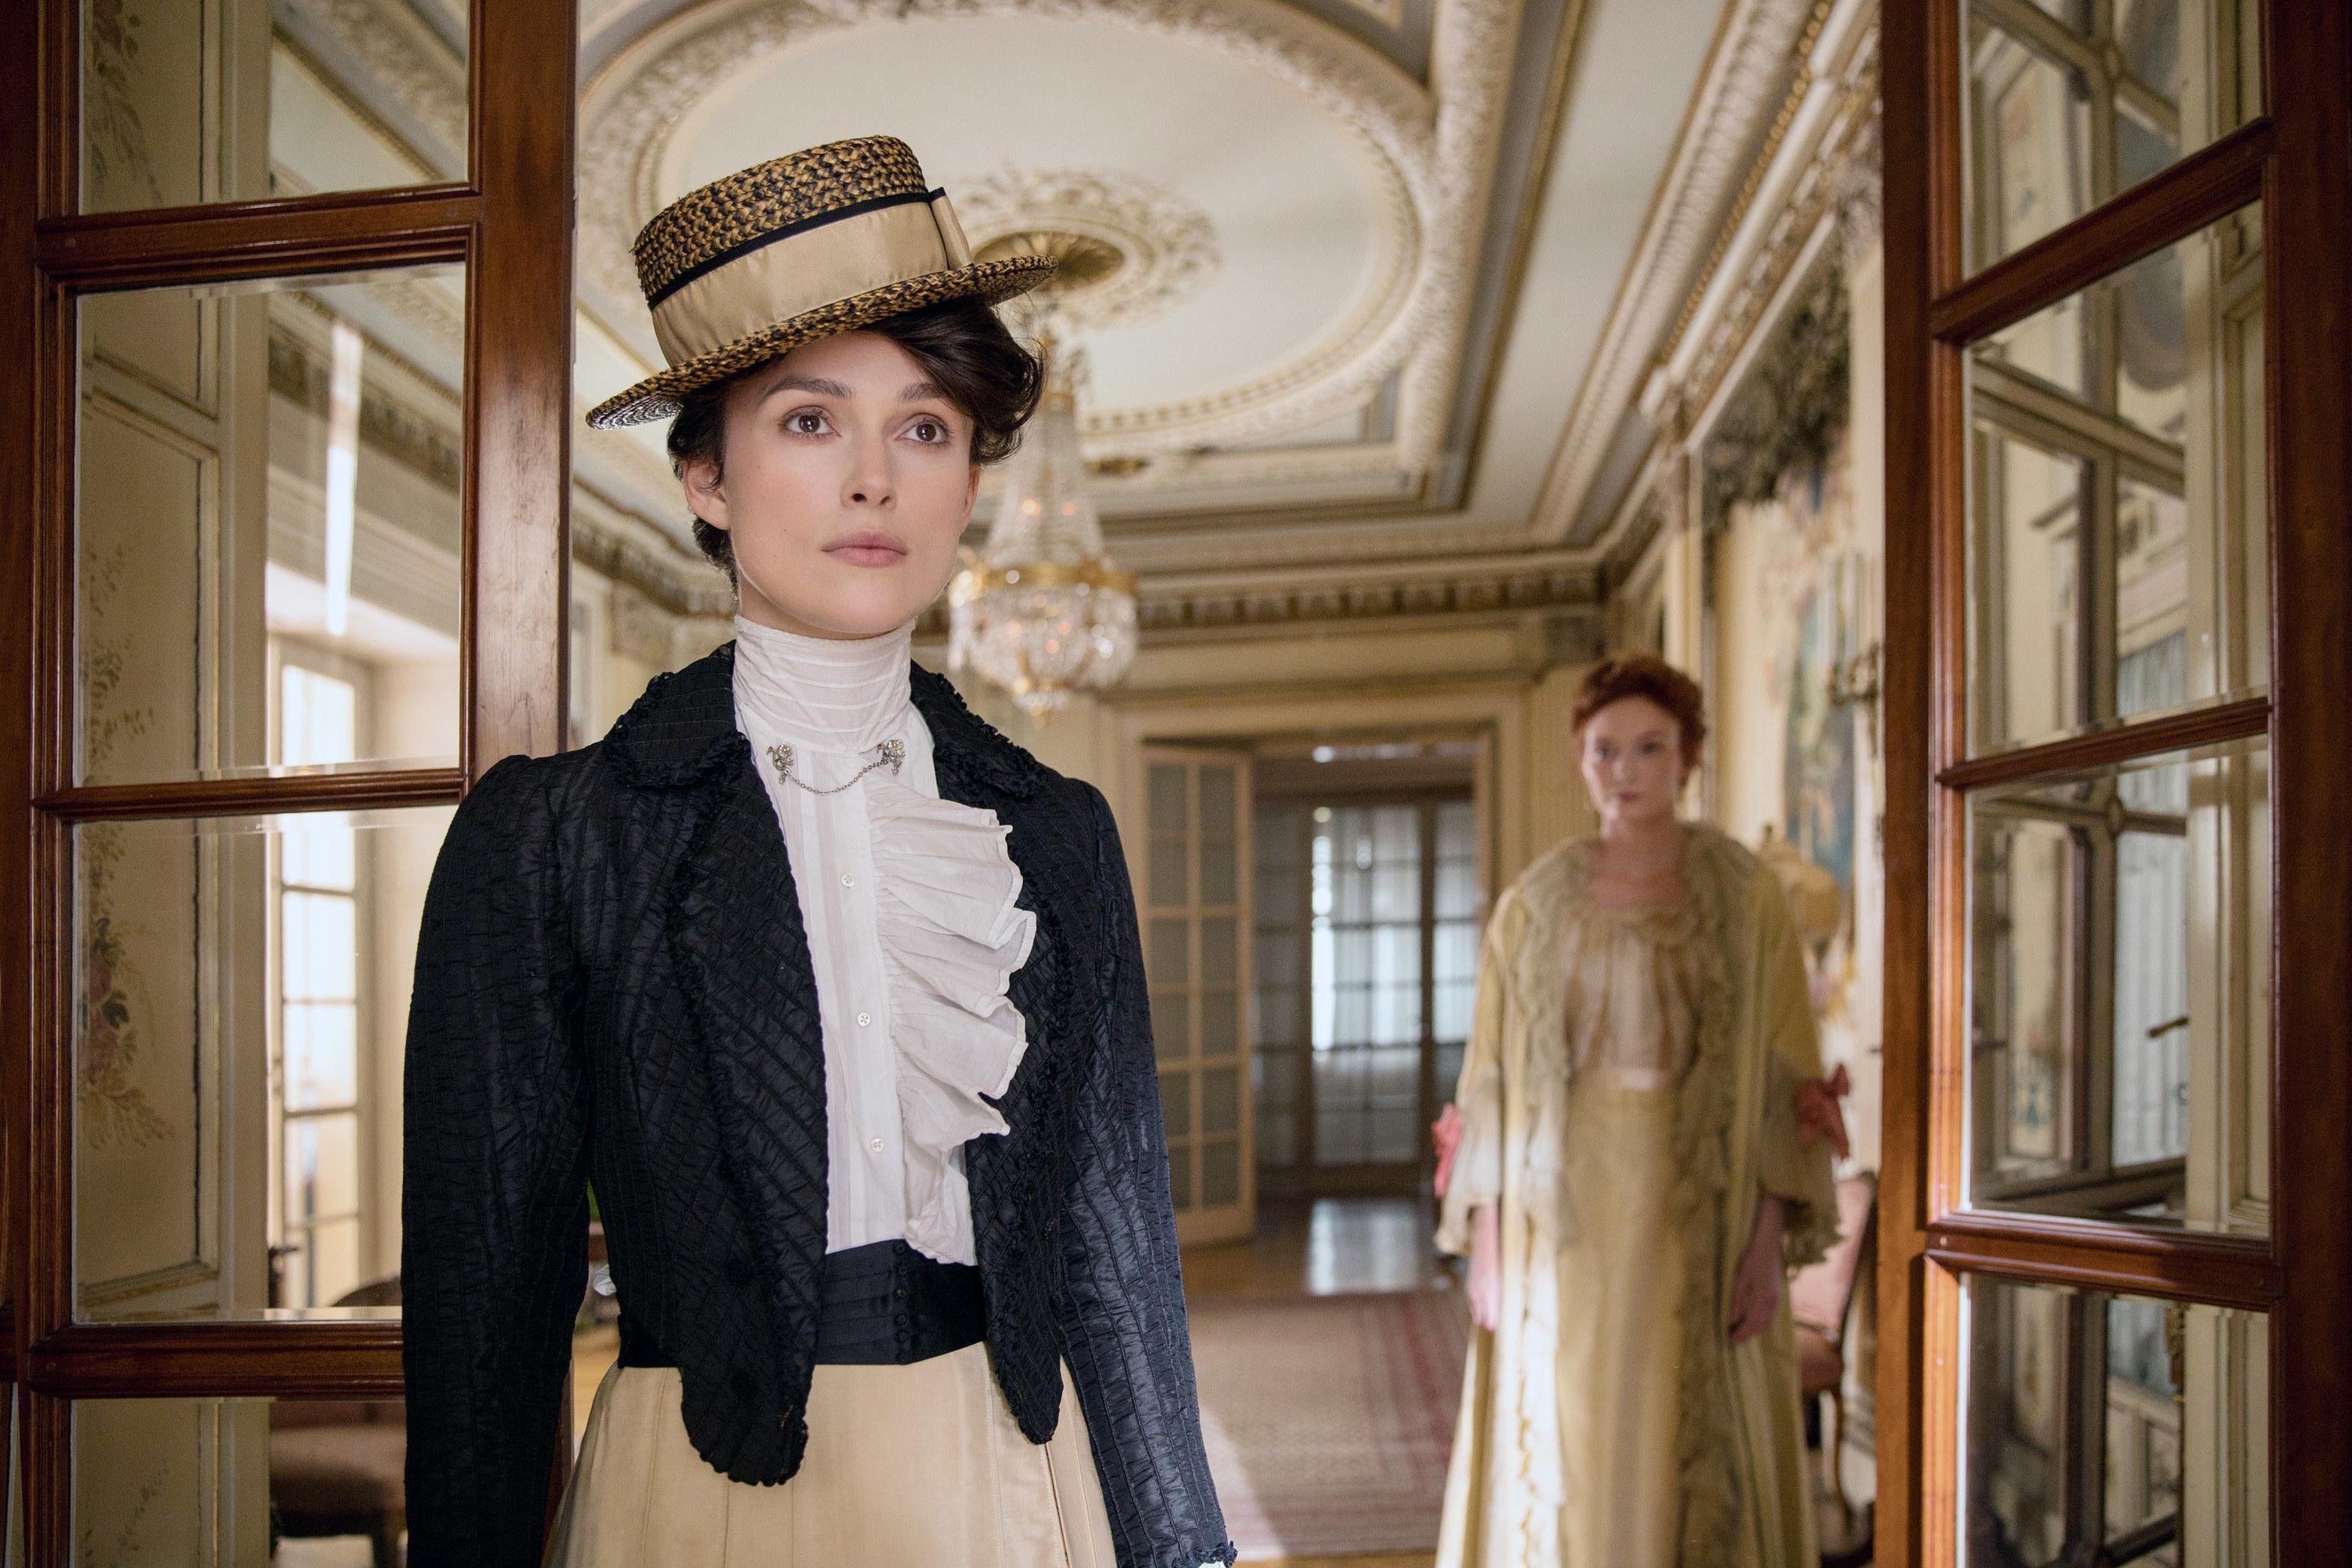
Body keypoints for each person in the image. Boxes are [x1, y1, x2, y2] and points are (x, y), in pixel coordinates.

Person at [401, 136, 1234, 1568]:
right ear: (705, 480)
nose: (874, 482)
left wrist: (1178, 1545)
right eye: (807, 423)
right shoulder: (551, 839)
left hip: (1015, 1481)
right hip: (704, 1500)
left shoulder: (1053, 830)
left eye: (924, 428)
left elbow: (1113, 1248)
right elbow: (489, 1300)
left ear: (969, 481)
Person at [1433, 655, 1842, 1568]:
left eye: (1648, 747)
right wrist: (1490, 1238)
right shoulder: (1532, 904)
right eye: (1604, 749)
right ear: (1580, 759)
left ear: (1687, 755)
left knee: (1680, 1417)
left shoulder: (1746, 895)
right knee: (1570, 1408)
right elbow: (1492, 1078)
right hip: (1560, 1212)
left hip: (1705, 1201)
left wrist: (1768, 1242)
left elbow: (1785, 1077)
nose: (1625, 768)